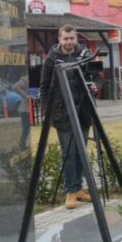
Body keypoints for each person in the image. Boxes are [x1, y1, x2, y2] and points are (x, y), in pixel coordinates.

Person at [40, 25, 96, 210]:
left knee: (81, 151)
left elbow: (97, 77)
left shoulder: (86, 54)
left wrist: (95, 86)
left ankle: (79, 188)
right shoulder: (51, 59)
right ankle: (70, 190)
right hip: (62, 113)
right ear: (60, 39)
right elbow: (45, 88)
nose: (69, 42)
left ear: (76, 38)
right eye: (66, 39)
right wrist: (49, 113)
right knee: (69, 153)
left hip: (83, 111)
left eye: (72, 38)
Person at [11, 74, 32, 149]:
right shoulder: (27, 79)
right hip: (25, 109)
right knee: (26, 128)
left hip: (33, 108)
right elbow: (15, 87)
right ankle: (22, 145)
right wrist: (25, 96)